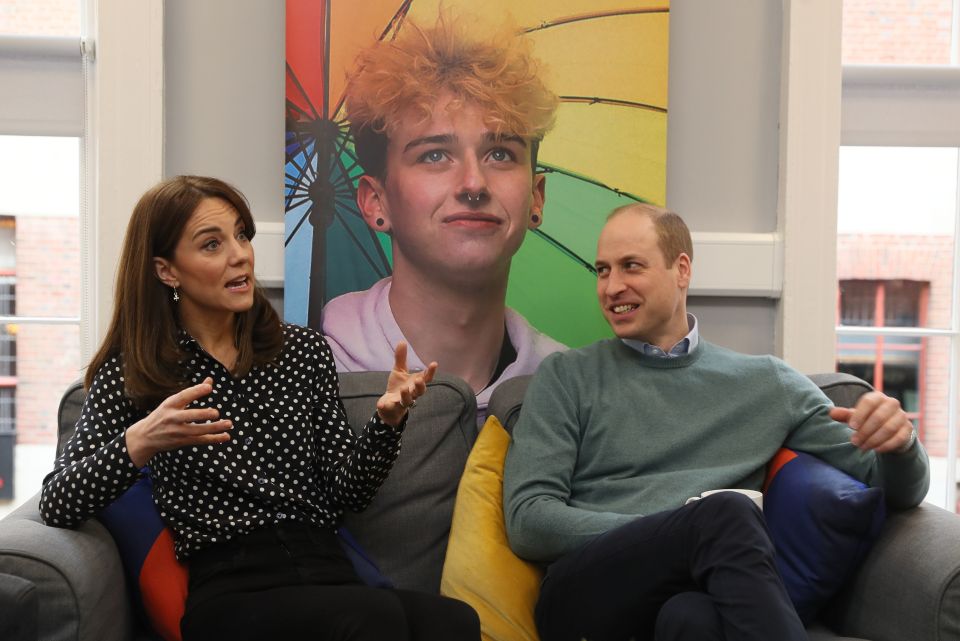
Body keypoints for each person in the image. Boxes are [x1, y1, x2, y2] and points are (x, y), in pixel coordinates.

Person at [39, 176, 480, 641]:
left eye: (242, 235)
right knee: (371, 619)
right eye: (212, 244)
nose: (240, 255)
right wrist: (141, 441)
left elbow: (348, 493)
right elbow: (58, 502)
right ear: (167, 271)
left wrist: (387, 423)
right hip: (233, 590)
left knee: (454, 622)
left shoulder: (303, 352)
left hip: (326, 569)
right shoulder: (134, 371)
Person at [502, 203, 930, 641]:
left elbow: (895, 489)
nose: (612, 287)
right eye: (602, 270)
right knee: (727, 513)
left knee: (693, 618)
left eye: (631, 266)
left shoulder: (768, 383)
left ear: (681, 269)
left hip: (698, 588)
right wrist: (681, 528)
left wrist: (900, 444)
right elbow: (529, 520)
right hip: (586, 595)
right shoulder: (566, 377)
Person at [322, 14, 564, 418]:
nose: (474, 183)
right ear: (374, 202)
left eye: (500, 154)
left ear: (536, 198)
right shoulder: (312, 381)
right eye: (434, 155)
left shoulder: (573, 391)